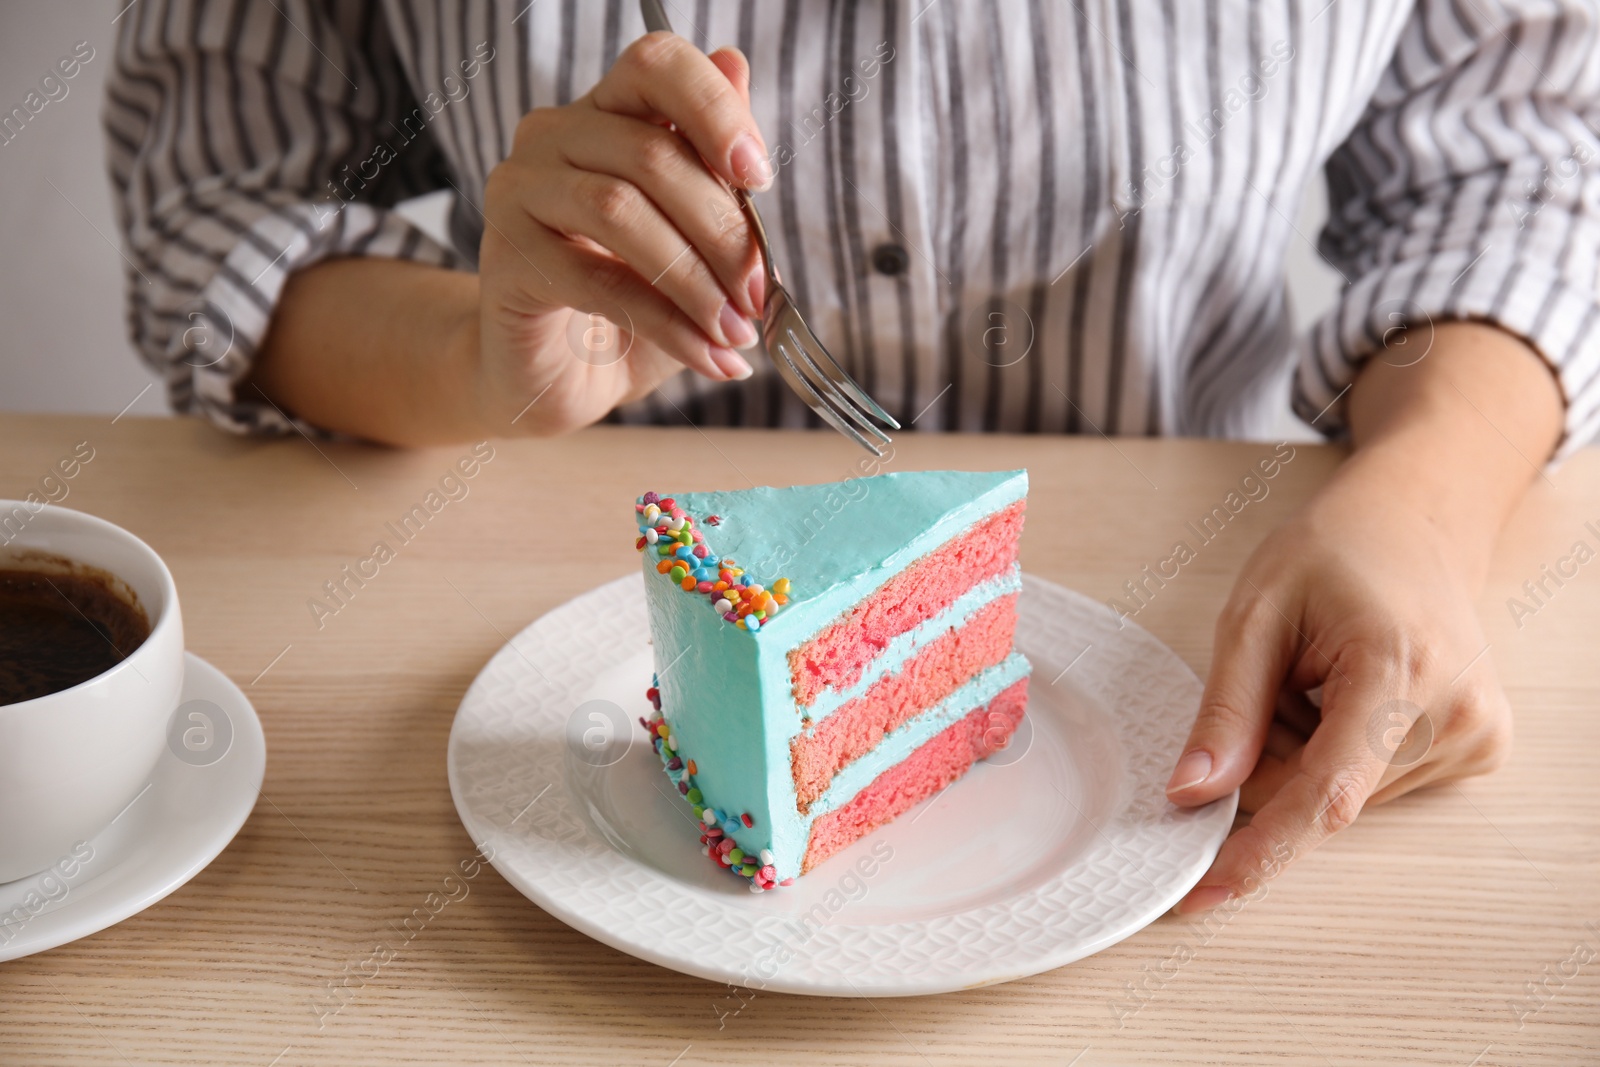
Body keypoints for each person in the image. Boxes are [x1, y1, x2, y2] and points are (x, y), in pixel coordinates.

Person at [106, 1, 1594, 913]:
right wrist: (480, 360)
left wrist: (1422, 505)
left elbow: (1521, 155)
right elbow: (224, 203)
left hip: (1196, 592)